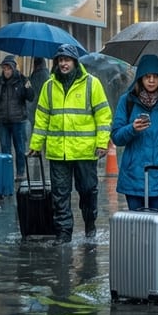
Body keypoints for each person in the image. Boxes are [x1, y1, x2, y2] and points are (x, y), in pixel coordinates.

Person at [29, 44, 112, 244]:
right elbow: (42, 118)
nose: (63, 64)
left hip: (85, 151)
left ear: (75, 61)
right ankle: (63, 233)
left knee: (88, 191)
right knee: (60, 195)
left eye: (67, 60)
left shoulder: (92, 84)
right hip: (58, 152)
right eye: (60, 60)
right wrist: (36, 144)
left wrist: (102, 143)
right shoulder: (49, 86)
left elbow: (103, 115)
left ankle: (90, 224)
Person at [110, 54, 158, 211]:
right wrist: (132, 129)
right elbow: (116, 137)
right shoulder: (127, 100)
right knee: (136, 224)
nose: (151, 80)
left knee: (157, 223)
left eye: (155, 76)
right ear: (140, 78)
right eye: (147, 76)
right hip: (134, 175)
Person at [0, 55, 34, 178]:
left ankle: (20, 173)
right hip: (3, 121)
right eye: (4, 68)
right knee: (5, 150)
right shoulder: (0, 82)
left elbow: (30, 97)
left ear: (14, 68)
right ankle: (7, 175)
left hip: (18, 121)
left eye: (9, 68)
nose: (6, 71)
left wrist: (27, 85)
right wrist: (0, 85)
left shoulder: (22, 80)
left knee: (20, 149)